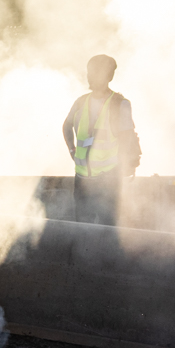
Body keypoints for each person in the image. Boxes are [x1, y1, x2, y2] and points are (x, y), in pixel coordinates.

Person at [62, 54, 141, 225]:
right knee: (82, 228)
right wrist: (71, 149)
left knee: (108, 229)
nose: (90, 76)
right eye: (89, 71)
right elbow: (66, 125)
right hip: (82, 180)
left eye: (95, 72)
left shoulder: (119, 104)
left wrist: (127, 166)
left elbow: (128, 139)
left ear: (108, 76)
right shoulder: (80, 102)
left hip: (108, 181)